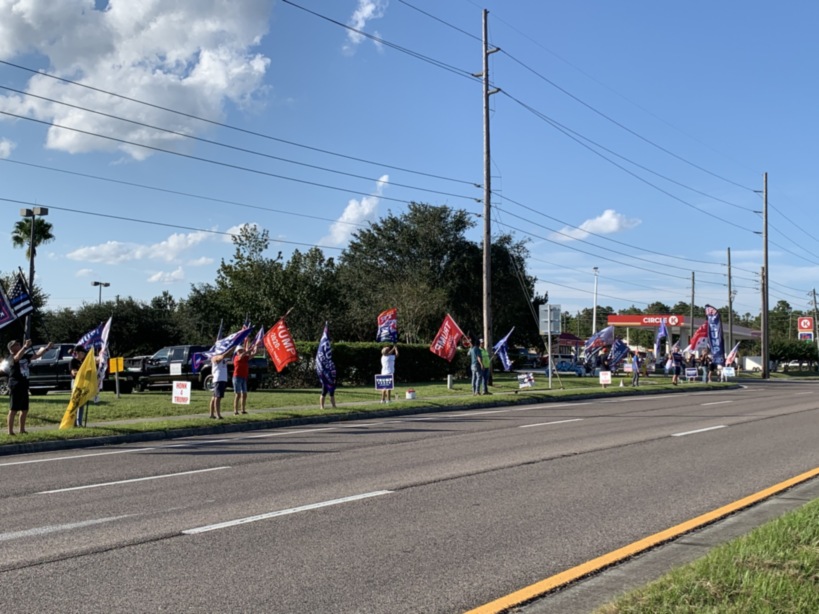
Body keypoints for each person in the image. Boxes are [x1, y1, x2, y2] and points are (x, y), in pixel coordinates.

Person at [6, 338, 53, 435]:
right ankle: (10, 431)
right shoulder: (11, 357)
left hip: (24, 385)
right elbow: (17, 358)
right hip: (15, 385)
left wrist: (47, 348)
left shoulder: (25, 356)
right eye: (16, 344)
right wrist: (25, 346)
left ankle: (22, 430)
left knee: (24, 409)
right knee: (13, 409)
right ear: (12, 348)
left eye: (19, 343)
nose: (19, 344)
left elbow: (36, 356)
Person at [232, 342, 257, 415]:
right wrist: (248, 350)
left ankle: (243, 410)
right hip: (237, 377)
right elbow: (241, 356)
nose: (241, 351)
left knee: (244, 394)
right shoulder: (236, 357)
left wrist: (256, 346)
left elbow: (253, 354)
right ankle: (235, 411)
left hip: (243, 377)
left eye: (241, 350)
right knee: (238, 394)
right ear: (237, 352)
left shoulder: (245, 358)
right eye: (239, 350)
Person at [209, 348, 234, 419]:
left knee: (214, 397)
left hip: (222, 379)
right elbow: (222, 357)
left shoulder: (224, 358)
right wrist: (229, 350)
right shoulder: (215, 357)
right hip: (218, 379)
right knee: (217, 397)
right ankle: (218, 415)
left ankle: (211, 414)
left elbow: (229, 358)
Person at [70, 344, 91, 427]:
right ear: (77, 353)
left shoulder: (83, 362)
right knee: (75, 402)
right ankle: (73, 422)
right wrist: (81, 372)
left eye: (84, 353)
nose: (83, 355)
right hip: (76, 383)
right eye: (82, 353)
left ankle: (80, 423)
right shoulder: (73, 361)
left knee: (81, 403)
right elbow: (73, 372)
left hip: (83, 383)